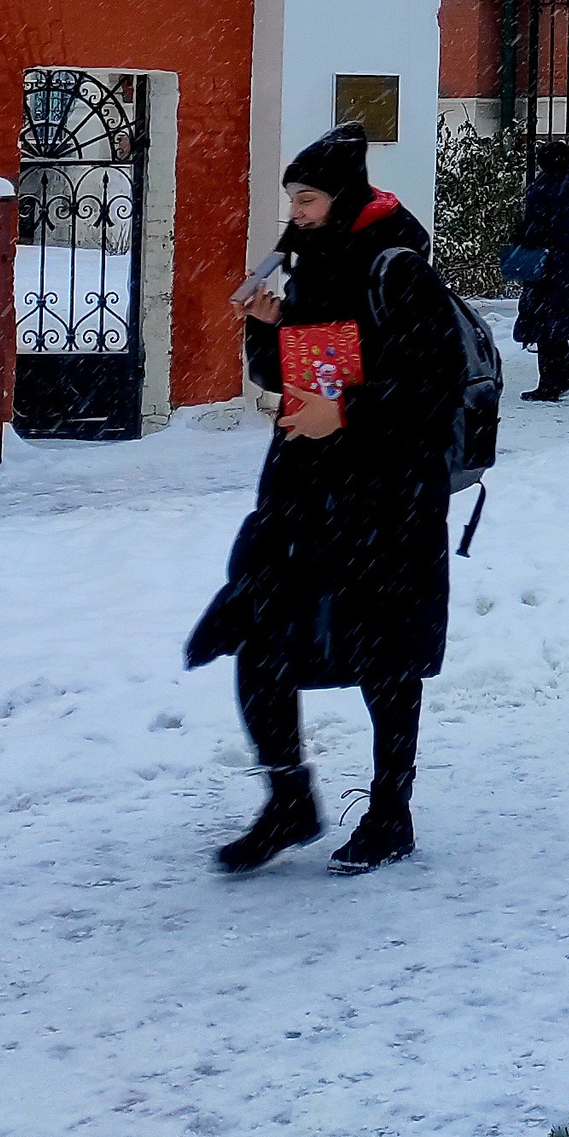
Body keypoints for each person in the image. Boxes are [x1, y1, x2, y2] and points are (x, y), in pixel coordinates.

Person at [187, 123, 459, 875]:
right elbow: (293, 377)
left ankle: (390, 809)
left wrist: (345, 414)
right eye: (295, 201)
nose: (297, 212)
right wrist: (266, 327)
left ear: (341, 198)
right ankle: (288, 798)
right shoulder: (313, 263)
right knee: (259, 631)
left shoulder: (398, 269)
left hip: (387, 498)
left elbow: (429, 391)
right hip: (304, 493)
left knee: (385, 657)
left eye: (307, 199)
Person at [512, 138, 569, 401]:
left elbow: (534, 230)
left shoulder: (540, 191)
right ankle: (563, 375)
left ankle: (551, 382)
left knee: (543, 325)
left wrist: (522, 238)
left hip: (546, 266)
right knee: (555, 324)